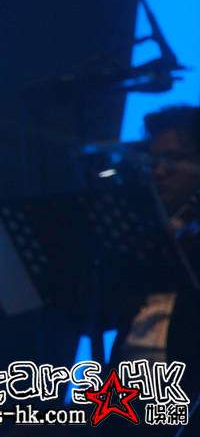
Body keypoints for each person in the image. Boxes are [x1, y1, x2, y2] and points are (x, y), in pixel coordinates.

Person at [112, 106, 200, 404]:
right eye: (154, 161)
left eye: (173, 160)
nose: (159, 172)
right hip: (124, 392)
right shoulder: (146, 229)